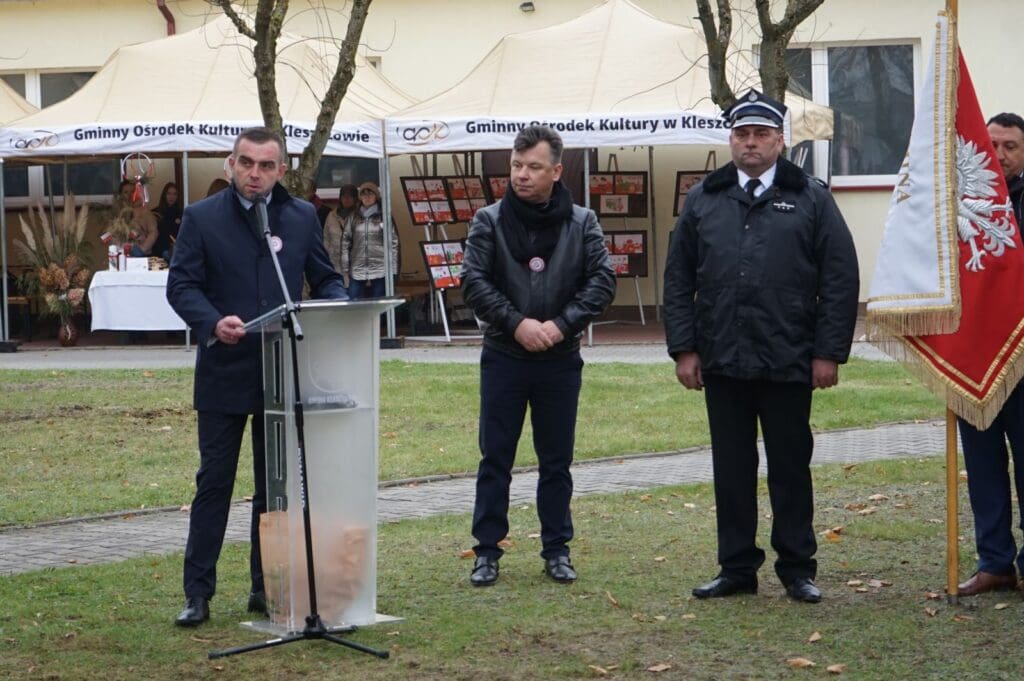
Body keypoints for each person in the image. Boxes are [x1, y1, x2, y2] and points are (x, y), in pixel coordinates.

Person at [663, 89, 859, 604]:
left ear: (780, 141)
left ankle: (797, 568)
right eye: (741, 134)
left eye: (761, 135)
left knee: (791, 467)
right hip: (722, 359)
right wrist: (684, 348)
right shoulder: (705, 197)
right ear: (731, 140)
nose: (750, 144)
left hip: (789, 357)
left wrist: (828, 352)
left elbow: (839, 278)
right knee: (731, 469)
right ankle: (736, 568)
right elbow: (678, 279)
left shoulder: (812, 197)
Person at [166, 126, 348, 627]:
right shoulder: (202, 218)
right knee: (215, 484)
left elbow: (325, 275)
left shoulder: (302, 215)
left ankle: (264, 587)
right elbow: (180, 286)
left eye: (266, 166)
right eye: (247, 163)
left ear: (281, 170)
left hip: (280, 373)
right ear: (231, 164)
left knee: (274, 488)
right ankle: (197, 593)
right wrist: (210, 321)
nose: (255, 174)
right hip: (224, 372)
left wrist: (338, 304)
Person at [460, 125, 616, 586]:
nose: (522, 175)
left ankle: (556, 550)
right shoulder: (487, 220)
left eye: (533, 167)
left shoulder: (583, 221)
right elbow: (474, 281)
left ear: (556, 170)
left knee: (556, 461)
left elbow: (602, 283)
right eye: (516, 165)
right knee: (495, 459)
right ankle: (487, 551)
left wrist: (560, 324)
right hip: (504, 355)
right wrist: (516, 322)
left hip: (560, 358)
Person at [955, 112, 1024, 596]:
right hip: (975, 355)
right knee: (981, 465)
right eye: (992, 144)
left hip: (1023, 355)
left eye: (1012, 146)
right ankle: (995, 561)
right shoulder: (958, 203)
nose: (999, 155)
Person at [339, 181, 399, 299]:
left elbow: (393, 242)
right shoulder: (353, 217)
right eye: (363, 194)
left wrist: (393, 268)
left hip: (380, 268)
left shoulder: (384, 216)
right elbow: (345, 242)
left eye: (370, 194)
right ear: (360, 197)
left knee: (380, 303)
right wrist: (345, 266)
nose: (367, 197)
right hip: (357, 269)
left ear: (376, 197)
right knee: (354, 303)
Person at [323, 183, 358, 269]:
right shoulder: (331, 216)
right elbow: (326, 238)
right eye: (344, 196)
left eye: (350, 196)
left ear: (355, 199)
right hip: (335, 263)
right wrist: (327, 255)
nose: (347, 199)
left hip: (355, 263)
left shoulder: (360, 216)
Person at [151, 182, 183, 261]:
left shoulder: (181, 213)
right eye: (169, 193)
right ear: (164, 195)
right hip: (159, 251)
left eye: (175, 194)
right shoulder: (156, 213)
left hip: (176, 250)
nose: (171, 197)